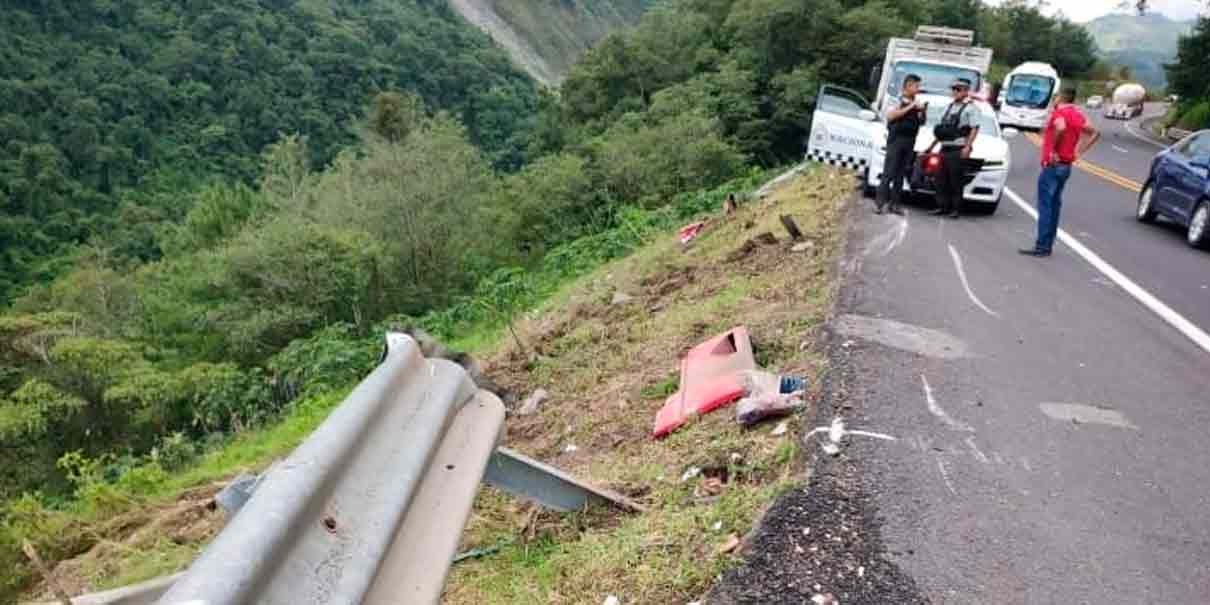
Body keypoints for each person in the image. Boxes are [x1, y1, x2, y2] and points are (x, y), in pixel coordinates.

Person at [1019, 86, 1101, 258]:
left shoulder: (1059, 114)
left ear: (1061, 98)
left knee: (1045, 205)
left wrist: (1053, 151)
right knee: (1055, 204)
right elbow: (1094, 132)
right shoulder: (1078, 115)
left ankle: (1042, 245)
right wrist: (1079, 152)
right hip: (1066, 165)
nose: (1054, 99)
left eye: (1056, 96)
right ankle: (1048, 243)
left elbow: (1061, 127)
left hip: (1053, 165)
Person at [876, 74, 927, 215]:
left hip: (910, 141)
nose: (918, 89)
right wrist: (910, 107)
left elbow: (921, 122)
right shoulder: (896, 99)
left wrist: (922, 112)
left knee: (900, 175)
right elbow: (891, 116)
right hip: (896, 140)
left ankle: (895, 205)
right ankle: (879, 204)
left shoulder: (916, 102)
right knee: (889, 173)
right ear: (908, 85)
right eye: (916, 86)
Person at [929, 78, 980, 219]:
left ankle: (955, 209)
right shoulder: (948, 107)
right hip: (945, 147)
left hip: (958, 148)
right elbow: (942, 130)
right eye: (954, 89)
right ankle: (941, 206)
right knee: (940, 178)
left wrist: (968, 146)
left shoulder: (971, 108)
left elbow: (974, 129)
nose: (955, 92)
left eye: (959, 89)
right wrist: (931, 146)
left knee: (955, 181)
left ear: (966, 91)